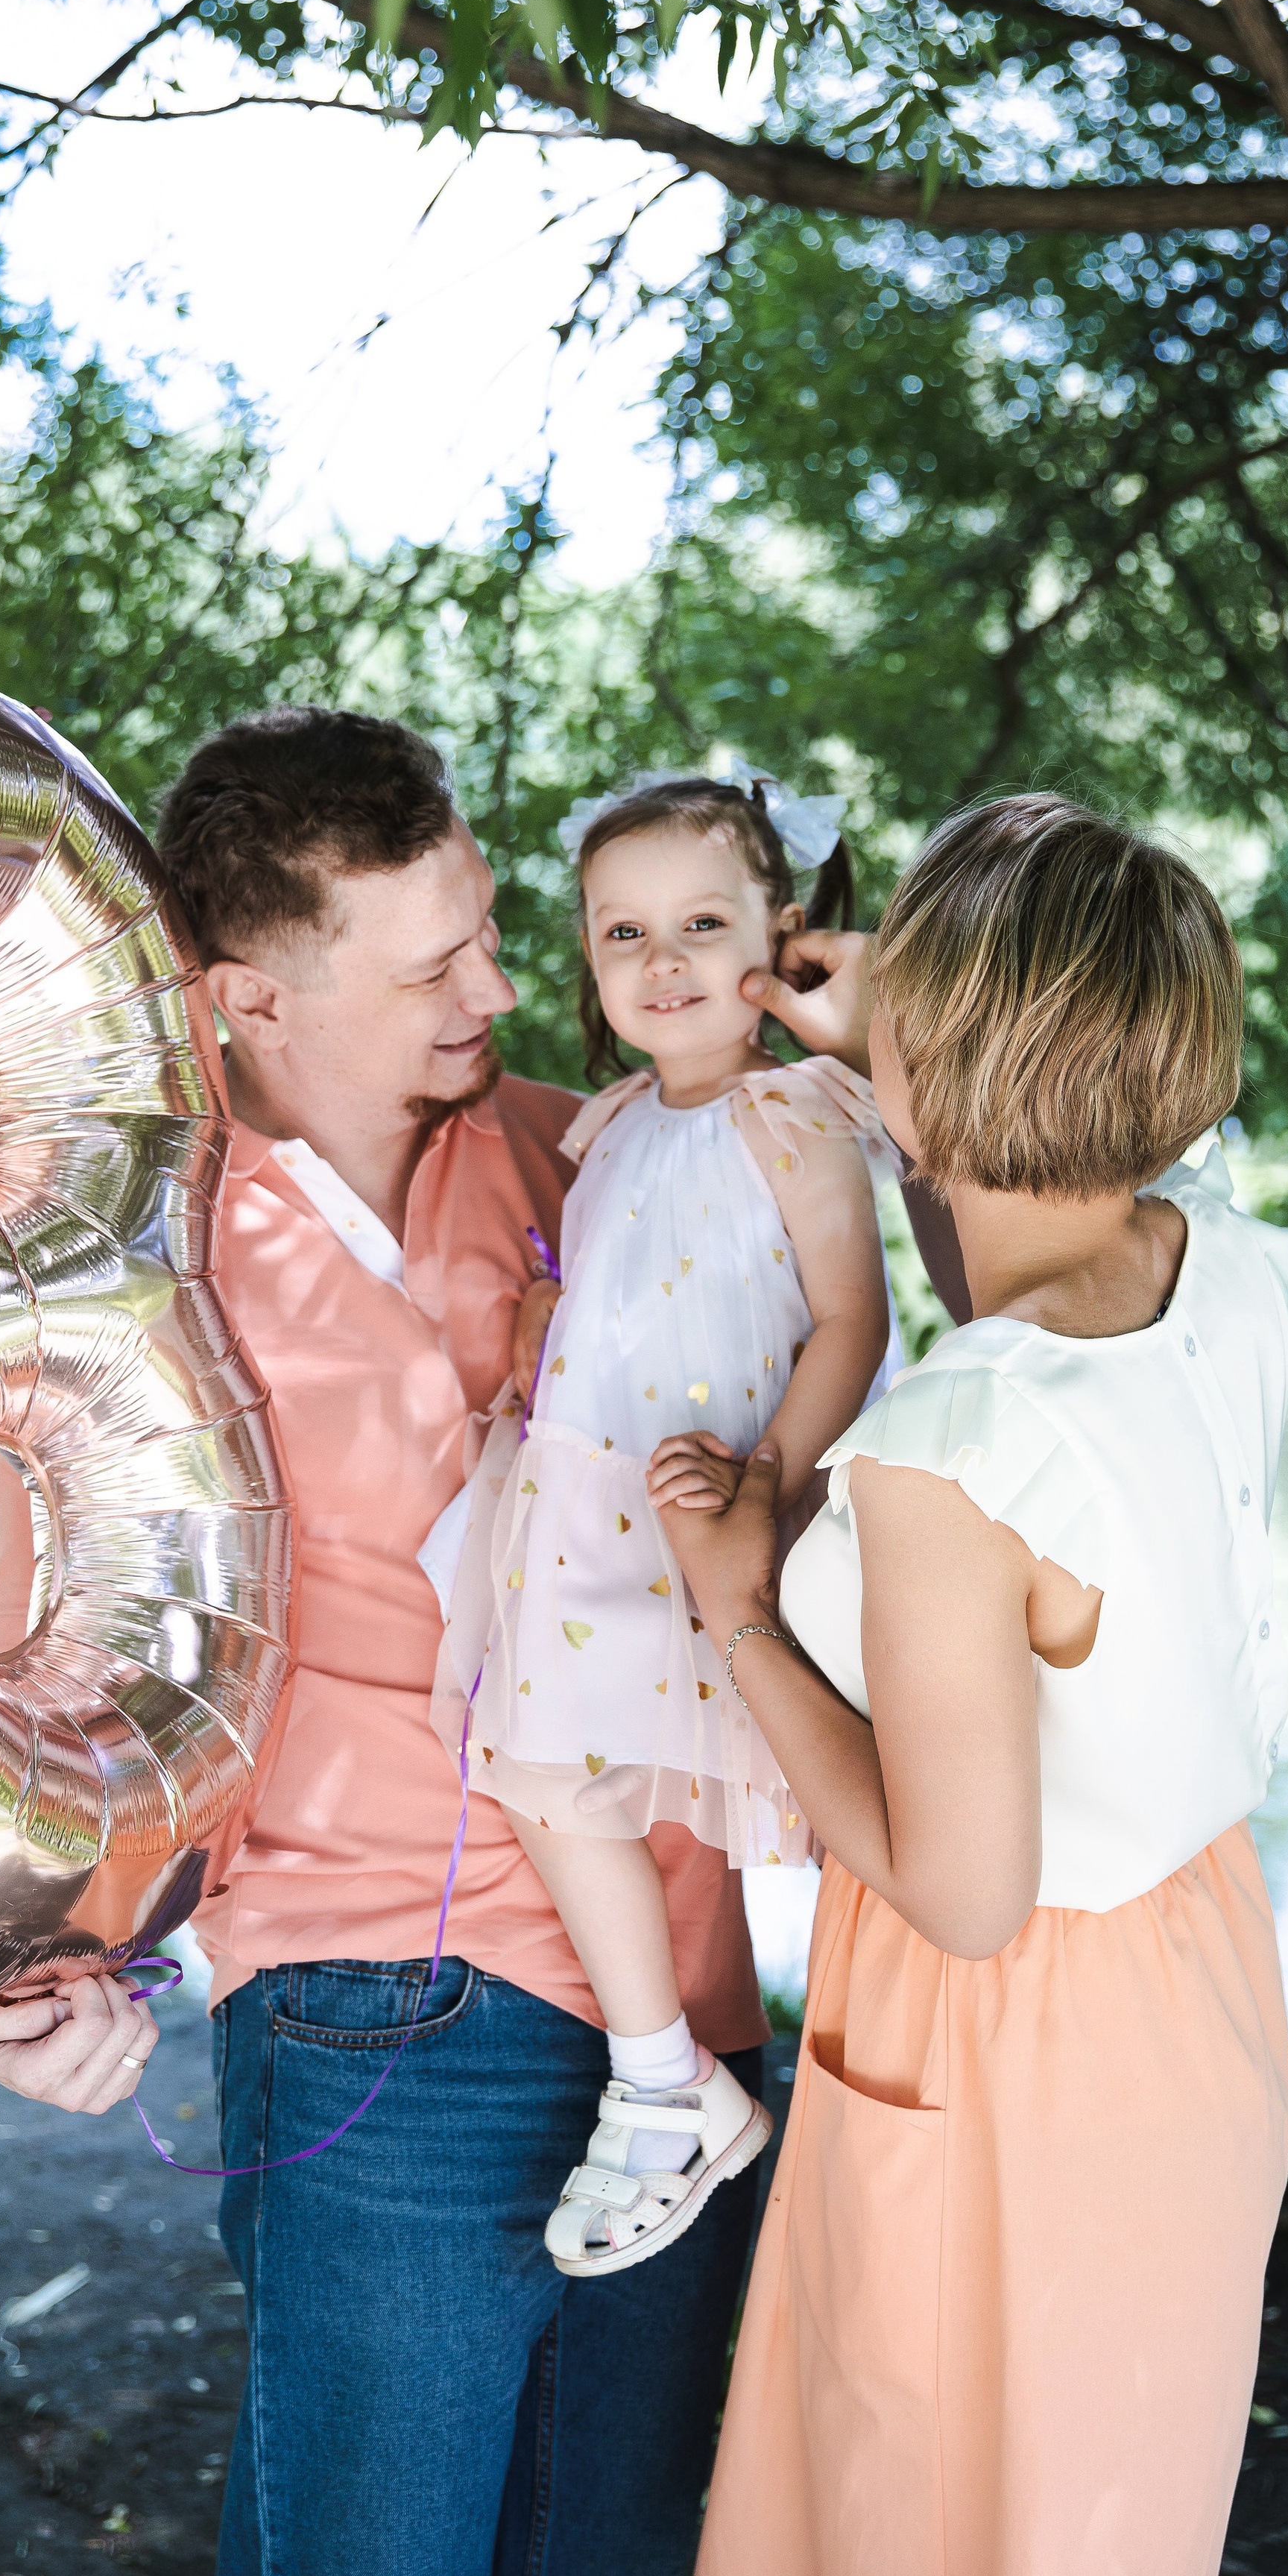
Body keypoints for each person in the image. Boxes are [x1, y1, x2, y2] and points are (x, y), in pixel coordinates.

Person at [0, 711, 908, 2576]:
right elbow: (68, 1692)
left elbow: (908, 1287)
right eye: (430, 969)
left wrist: (870, 1028)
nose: (497, 988)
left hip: (679, 2010)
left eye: (487, 933)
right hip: (377, 2018)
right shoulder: (109, 1268)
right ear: (248, 998)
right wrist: (41, 1962)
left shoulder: (610, 1145)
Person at [657, 793, 1288, 2576]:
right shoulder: (1215, 1267)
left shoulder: (951, 1450)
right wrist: (916, 1054)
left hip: (1010, 2030)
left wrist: (742, 1622)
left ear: (921, 1083)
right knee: (1100, 2520)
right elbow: (1024, 1269)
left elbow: (959, 1891)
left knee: (917, 2519)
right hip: (1197, 1977)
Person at [431, 768, 897, 2278]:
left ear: (782, 928)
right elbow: (624, 1298)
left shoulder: (796, 1113)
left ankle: (798, 2110)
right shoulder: (612, 1123)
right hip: (586, 1510)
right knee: (540, 1772)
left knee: (811, 1808)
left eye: (703, 922)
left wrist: (768, 1481)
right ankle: (660, 2080)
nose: (665, 960)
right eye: (622, 932)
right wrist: (550, 1329)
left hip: (710, 1517)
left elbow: (848, 1319)